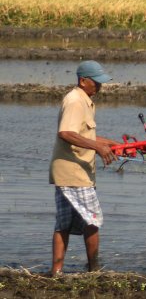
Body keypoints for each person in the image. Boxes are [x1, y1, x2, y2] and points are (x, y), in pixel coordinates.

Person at [50, 60, 119, 276]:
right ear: (83, 81)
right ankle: (94, 270)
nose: (99, 87)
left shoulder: (85, 100)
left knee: (64, 223)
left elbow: (85, 135)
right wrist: (98, 147)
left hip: (70, 171)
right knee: (93, 219)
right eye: (96, 83)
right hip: (74, 172)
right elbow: (66, 133)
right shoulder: (75, 101)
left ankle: (56, 272)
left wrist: (115, 145)